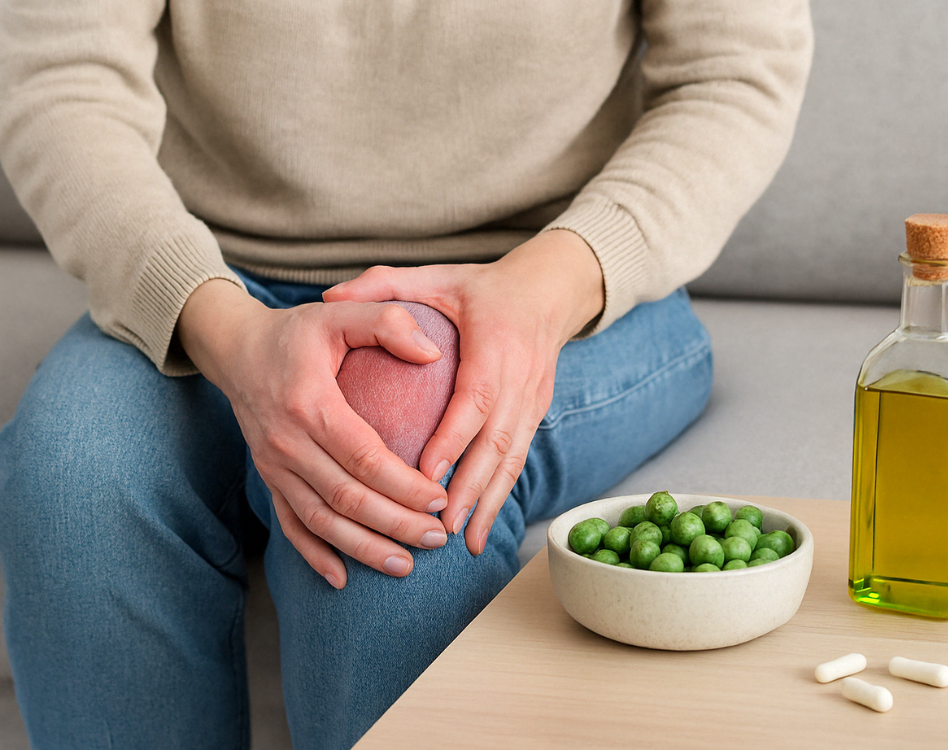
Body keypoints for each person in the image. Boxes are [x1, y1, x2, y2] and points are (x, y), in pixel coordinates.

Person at [0, 1, 813, 748]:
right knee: (72, 473)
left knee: (398, 434)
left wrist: (546, 288)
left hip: (554, 275)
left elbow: (734, 74)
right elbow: (63, 82)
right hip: (214, 276)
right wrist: (230, 331)